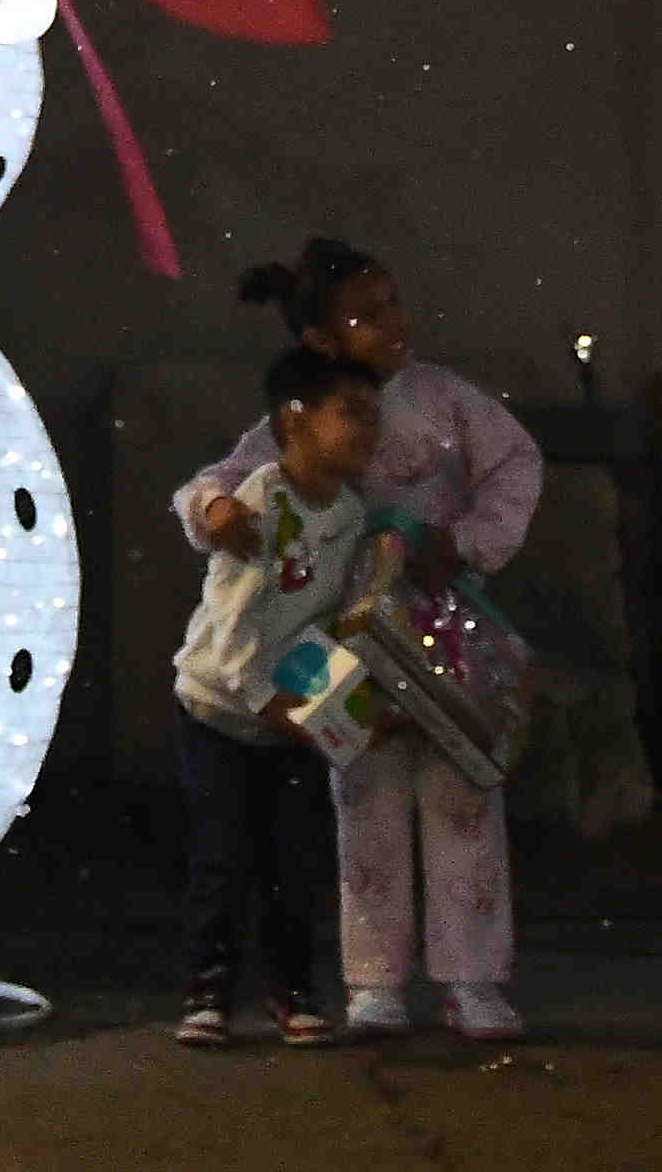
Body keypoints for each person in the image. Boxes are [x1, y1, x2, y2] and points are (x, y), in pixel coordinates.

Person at [177, 237, 543, 1044]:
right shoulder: (299, 423)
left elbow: (516, 461)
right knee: (362, 790)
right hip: (344, 637)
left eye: (392, 305)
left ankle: (472, 979)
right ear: (319, 340)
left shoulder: (447, 399)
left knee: (463, 788)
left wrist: (472, 542)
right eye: (366, 314)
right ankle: (374, 982)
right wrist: (213, 511)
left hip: (442, 619)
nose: (392, 324)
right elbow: (216, 481)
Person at [169, 344, 384, 1049]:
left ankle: (292, 989)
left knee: (294, 858)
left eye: (372, 417)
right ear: (295, 418)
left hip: (283, 713)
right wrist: (277, 709)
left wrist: (340, 710)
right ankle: (208, 989)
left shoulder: (350, 514)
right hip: (218, 711)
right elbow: (234, 632)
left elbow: (322, 624)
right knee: (222, 856)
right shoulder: (262, 499)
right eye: (349, 412)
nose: (366, 430)